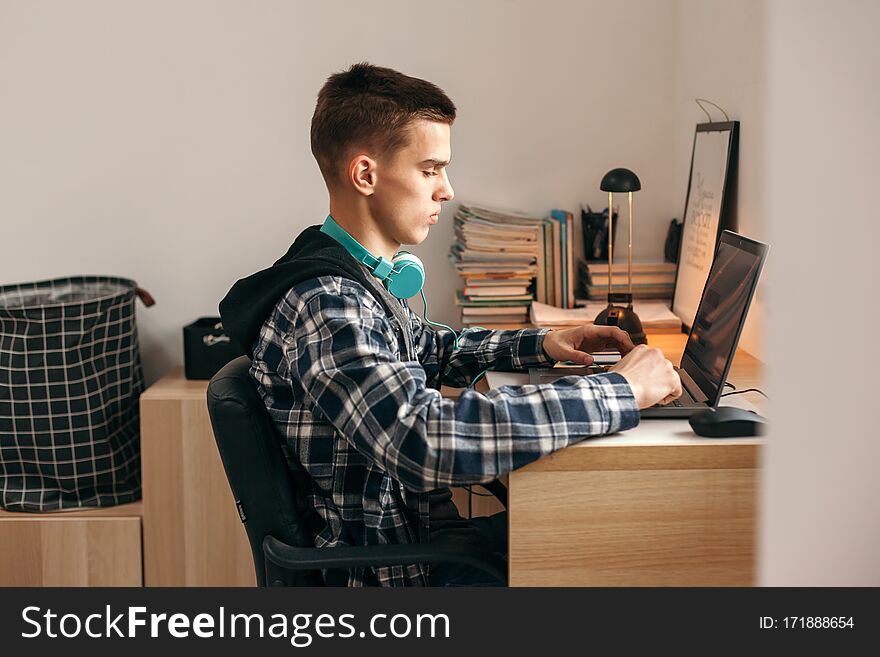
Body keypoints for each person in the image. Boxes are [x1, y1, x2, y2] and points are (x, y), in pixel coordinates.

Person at [219, 62, 681, 587]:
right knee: (636, 546)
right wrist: (620, 389)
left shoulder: (350, 280)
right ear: (365, 174)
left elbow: (425, 345)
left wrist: (545, 344)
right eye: (430, 169)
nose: (447, 190)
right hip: (399, 573)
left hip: (417, 542)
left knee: (615, 530)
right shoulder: (328, 305)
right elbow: (423, 437)